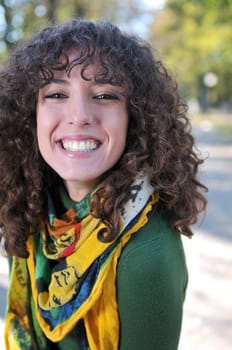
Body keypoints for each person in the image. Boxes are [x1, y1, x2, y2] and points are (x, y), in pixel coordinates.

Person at [0, 19, 207, 350]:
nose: (79, 115)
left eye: (105, 94)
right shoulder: (27, 208)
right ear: (29, 116)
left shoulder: (146, 253)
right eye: (55, 93)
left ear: (134, 117)